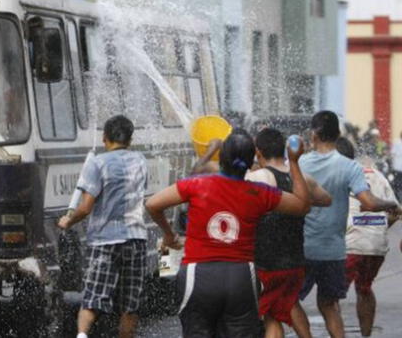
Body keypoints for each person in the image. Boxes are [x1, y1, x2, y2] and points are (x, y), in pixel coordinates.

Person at [145, 129, 312, 338]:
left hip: (199, 275)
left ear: (221, 159)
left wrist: (169, 235)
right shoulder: (259, 193)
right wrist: (294, 162)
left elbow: (152, 204)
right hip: (241, 277)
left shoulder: (196, 185)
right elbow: (302, 205)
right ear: (252, 161)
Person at [57, 115, 178, 338]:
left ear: (105, 138)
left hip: (104, 241)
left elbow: (85, 208)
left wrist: (68, 220)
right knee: (130, 305)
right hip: (136, 241)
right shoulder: (140, 160)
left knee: (92, 299)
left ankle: (82, 335)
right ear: (130, 140)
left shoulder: (97, 163)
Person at [296, 111, 399, 338]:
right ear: (338, 134)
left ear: (313, 135)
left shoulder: (300, 163)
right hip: (334, 252)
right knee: (329, 305)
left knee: (290, 301)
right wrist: (388, 203)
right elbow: (369, 203)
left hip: (305, 248)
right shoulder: (349, 166)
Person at [246, 128, 332, 338]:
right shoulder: (302, 178)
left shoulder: (257, 177)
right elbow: (326, 199)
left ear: (258, 152)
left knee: (272, 315)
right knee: (290, 303)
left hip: (268, 260)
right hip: (295, 258)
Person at [336, 137, 401, 337]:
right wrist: (378, 227)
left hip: (350, 247)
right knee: (364, 288)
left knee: (330, 297)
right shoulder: (376, 174)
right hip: (375, 248)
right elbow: (395, 211)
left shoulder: (337, 174)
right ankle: (366, 335)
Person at [390, 131, 402, 199]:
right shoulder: (397, 143)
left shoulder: (396, 143)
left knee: (397, 183)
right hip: (399, 166)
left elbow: (392, 153)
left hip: (397, 167)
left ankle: (398, 197)